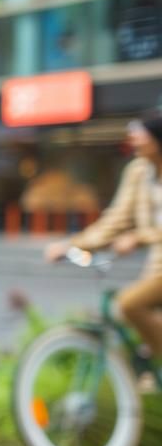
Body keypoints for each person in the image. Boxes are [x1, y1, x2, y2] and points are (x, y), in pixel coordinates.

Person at [46, 112, 162, 359]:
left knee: (129, 304)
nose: (135, 139)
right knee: (126, 317)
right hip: (156, 268)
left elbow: (142, 234)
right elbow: (116, 219)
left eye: (142, 134)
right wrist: (71, 244)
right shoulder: (138, 172)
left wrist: (139, 237)